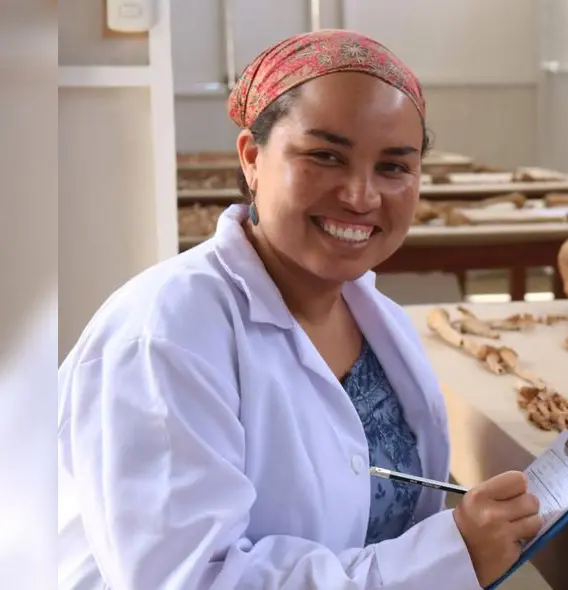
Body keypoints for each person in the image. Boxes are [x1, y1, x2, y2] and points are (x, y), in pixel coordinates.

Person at [57, 29, 542, 589]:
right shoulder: (163, 337)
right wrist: (446, 558)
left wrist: (465, 534)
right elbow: (189, 580)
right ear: (251, 159)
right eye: (325, 156)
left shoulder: (374, 317)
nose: (361, 196)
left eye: (394, 166)